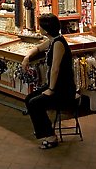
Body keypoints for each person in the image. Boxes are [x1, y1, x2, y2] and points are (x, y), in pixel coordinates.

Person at [21, 13, 76, 149]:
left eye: (40, 26)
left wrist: (50, 90)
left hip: (63, 89)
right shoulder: (53, 40)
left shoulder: (58, 44)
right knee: (29, 99)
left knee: (35, 103)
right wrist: (27, 57)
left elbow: (55, 69)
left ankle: (51, 137)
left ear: (45, 30)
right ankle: (43, 130)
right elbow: (38, 48)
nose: (38, 28)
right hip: (55, 86)